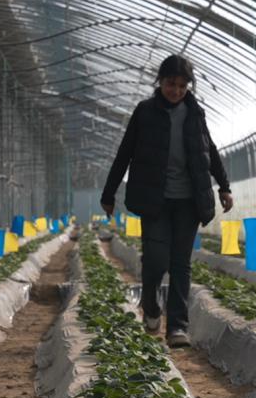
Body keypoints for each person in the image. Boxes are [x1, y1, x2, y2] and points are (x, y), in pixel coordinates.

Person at [100, 54, 233, 348]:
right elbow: (125, 153)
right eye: (171, 84)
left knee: (180, 264)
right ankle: (150, 306)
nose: (176, 90)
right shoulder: (145, 111)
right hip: (154, 199)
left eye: (182, 86)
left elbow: (208, 149)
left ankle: (177, 327)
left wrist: (224, 186)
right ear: (160, 82)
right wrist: (109, 194)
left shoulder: (195, 112)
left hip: (189, 200)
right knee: (156, 261)